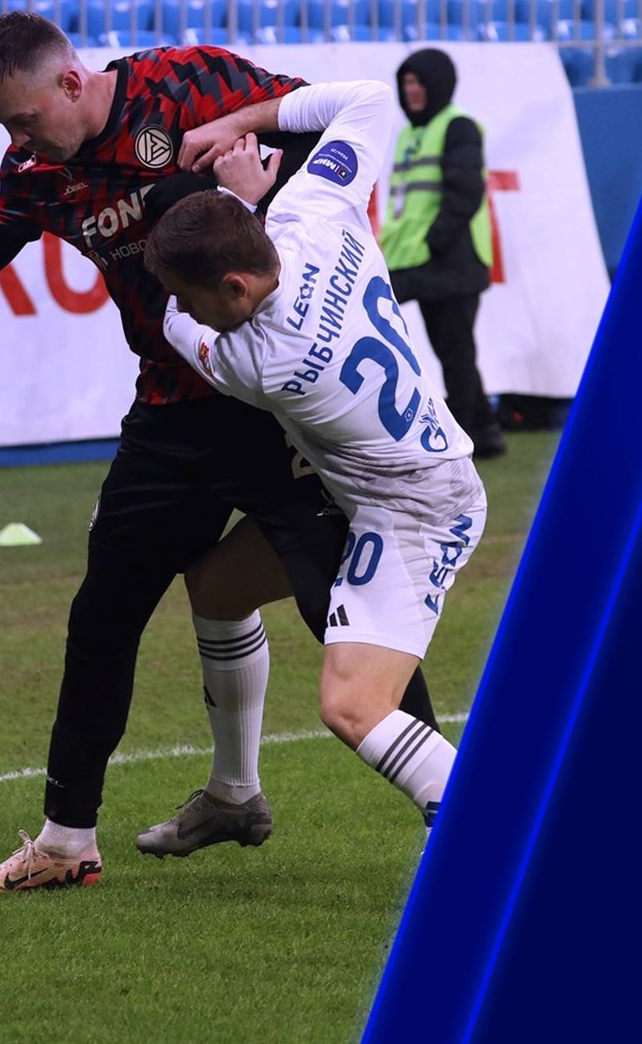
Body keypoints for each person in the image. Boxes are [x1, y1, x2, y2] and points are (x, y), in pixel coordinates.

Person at [0, 12, 438, 893]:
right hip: (171, 413)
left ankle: (456, 811)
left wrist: (255, 192)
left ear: (72, 82)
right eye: (5, 128)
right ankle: (67, 841)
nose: (17, 140)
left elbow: (314, 133)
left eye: (23, 118)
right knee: (104, 614)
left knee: (340, 608)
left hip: (273, 405)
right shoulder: (36, 173)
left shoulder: (188, 85)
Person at [148, 79, 484, 831]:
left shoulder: (259, 362)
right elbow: (367, 99)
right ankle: (234, 795)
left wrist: (233, 202)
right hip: (391, 478)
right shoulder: (312, 208)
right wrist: (238, 137)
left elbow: (173, 323)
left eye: (194, 293)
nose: (187, 304)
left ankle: (490, 827)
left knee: (353, 705)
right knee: (218, 588)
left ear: (233, 285)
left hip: (417, 510)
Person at [381, 48, 507, 459]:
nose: (412, 90)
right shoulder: (409, 133)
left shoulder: (457, 126)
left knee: (455, 354)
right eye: (407, 83)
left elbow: (466, 193)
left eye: (419, 82)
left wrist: (436, 240)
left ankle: (463, 439)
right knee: (454, 352)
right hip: (415, 260)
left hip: (452, 260)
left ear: (438, 85)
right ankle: (485, 433)